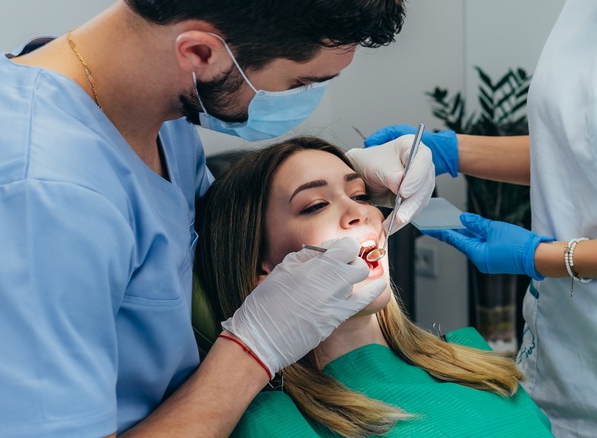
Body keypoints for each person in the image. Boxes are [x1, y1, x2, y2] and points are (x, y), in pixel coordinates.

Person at [0, 1, 439, 436]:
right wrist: (255, 347)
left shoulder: (159, 114)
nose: (303, 101)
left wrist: (342, 175)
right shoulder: (34, 196)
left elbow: (203, 225)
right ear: (200, 53)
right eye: (301, 84)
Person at [366, 0, 597, 436]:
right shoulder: (586, 9)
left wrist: (544, 257)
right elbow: (577, 149)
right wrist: (448, 152)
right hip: (557, 353)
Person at [195, 136, 553, 437]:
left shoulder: (470, 357)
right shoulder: (274, 420)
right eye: (316, 205)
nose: (362, 213)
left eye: (361, 195)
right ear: (264, 268)